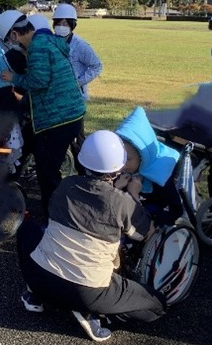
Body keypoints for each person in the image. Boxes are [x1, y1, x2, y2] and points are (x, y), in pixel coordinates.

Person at [17, 130, 165, 342]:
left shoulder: (65, 185)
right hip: (87, 292)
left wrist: (112, 189)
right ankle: (94, 313)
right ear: (118, 168)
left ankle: (35, 294)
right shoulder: (122, 202)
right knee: (156, 306)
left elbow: (87, 202)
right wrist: (132, 193)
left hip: (37, 276)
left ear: (82, 160)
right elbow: (144, 233)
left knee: (27, 229)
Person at [1, 15, 85, 217]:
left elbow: (39, 81)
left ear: (15, 34)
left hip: (58, 118)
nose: (12, 44)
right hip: (71, 113)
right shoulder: (47, 41)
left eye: (10, 40)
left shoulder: (37, 47)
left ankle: (55, 218)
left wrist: (14, 78)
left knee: (47, 171)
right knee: (47, 165)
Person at [115, 106, 183, 226]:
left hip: (149, 220)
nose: (121, 164)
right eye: (118, 156)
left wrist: (133, 195)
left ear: (143, 157)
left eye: (128, 159)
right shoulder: (117, 170)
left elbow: (175, 211)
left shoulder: (160, 177)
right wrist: (115, 189)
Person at [52, 4, 102, 103]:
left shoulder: (81, 46)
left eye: (65, 24)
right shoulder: (50, 42)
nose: (61, 27)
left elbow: (97, 66)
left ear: (72, 25)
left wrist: (79, 82)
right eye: (58, 23)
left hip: (76, 97)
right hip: (55, 96)